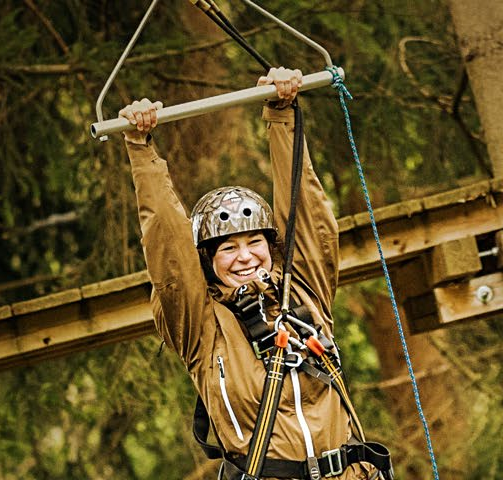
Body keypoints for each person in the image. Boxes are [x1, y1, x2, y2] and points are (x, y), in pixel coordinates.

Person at [118, 67, 388, 480]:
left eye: (254, 243)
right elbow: (170, 254)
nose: (244, 257)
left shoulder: (303, 293)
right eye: (228, 248)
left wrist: (282, 114)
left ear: (272, 247)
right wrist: (141, 147)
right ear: (208, 260)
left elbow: (308, 214)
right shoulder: (202, 328)